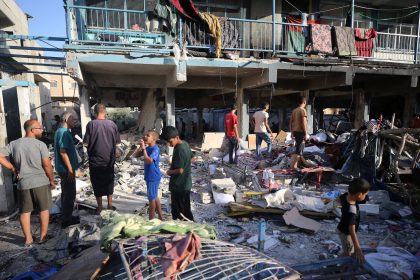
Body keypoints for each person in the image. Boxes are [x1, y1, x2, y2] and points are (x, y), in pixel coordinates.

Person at [0, 120, 55, 247]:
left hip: (23, 183)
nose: (42, 130)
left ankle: (28, 240)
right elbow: (47, 165)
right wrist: (51, 180)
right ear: (32, 130)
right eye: (39, 128)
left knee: (25, 212)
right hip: (40, 182)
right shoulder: (40, 145)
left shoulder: (14, 144)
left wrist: (12, 168)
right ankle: (42, 237)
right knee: (44, 210)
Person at [83, 104, 120, 213]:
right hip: (109, 160)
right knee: (109, 182)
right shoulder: (112, 124)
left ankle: (100, 207)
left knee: (97, 183)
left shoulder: (91, 125)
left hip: (95, 160)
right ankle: (109, 205)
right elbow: (117, 142)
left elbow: (86, 143)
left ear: (95, 112)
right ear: (105, 112)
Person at [160, 126, 194, 221]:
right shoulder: (185, 144)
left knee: (179, 212)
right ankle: (191, 228)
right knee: (185, 209)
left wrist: (169, 171)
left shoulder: (179, 149)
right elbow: (192, 157)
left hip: (179, 185)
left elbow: (180, 170)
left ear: (177, 137)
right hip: (185, 184)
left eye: (170, 141)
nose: (169, 144)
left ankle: (186, 231)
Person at [54, 112, 80, 228]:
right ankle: (66, 220)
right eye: (72, 119)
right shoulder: (63, 132)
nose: (75, 121)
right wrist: (70, 170)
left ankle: (66, 216)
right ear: (65, 119)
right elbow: (63, 152)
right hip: (66, 169)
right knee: (70, 194)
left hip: (64, 169)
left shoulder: (62, 132)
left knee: (66, 193)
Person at [337, 178, 370, 264]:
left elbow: (339, 200)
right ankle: (340, 269)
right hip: (346, 233)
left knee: (348, 251)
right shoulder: (352, 211)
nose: (365, 197)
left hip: (341, 227)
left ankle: (338, 261)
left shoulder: (345, 196)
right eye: (365, 195)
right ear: (359, 194)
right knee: (349, 254)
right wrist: (358, 249)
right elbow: (352, 231)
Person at [140, 130, 163, 220]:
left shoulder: (155, 149)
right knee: (154, 196)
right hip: (149, 175)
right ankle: (161, 217)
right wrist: (141, 147)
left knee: (151, 199)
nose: (145, 136)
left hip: (153, 176)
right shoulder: (148, 148)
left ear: (154, 139)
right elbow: (135, 155)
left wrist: (144, 149)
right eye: (145, 135)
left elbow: (149, 160)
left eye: (147, 135)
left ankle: (151, 219)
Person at [290, 96, 308, 170]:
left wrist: (291, 132)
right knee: (299, 150)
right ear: (304, 102)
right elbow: (304, 123)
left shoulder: (294, 111)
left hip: (295, 131)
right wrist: (306, 133)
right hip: (301, 132)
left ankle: (294, 165)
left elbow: (290, 122)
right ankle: (294, 166)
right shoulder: (303, 110)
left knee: (298, 148)